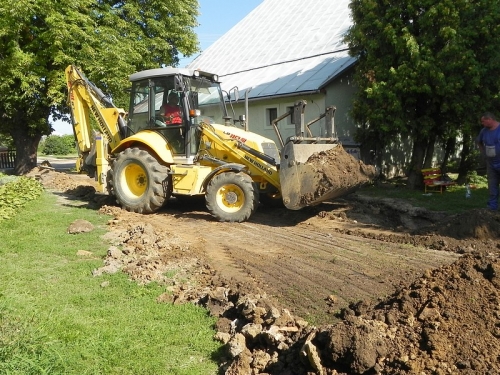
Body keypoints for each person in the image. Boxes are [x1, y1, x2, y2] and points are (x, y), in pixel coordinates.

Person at [477, 112, 500, 210]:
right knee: (492, 185)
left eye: (483, 121)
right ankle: (492, 207)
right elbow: (479, 141)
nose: (482, 123)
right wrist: (483, 153)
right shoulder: (484, 131)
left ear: (489, 119)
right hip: (491, 163)